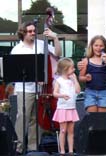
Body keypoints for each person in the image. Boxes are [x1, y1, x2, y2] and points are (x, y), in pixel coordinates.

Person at [11, 21, 62, 154]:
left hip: (41, 89)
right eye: (30, 31)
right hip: (25, 89)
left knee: (37, 119)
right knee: (23, 117)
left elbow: (57, 54)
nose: (33, 33)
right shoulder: (17, 49)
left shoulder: (42, 44)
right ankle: (19, 147)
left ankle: (33, 148)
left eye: (34, 31)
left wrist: (55, 38)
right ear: (23, 32)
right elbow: (14, 71)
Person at [79, 35, 106, 112]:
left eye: (101, 46)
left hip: (104, 92)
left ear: (105, 47)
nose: (98, 48)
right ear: (92, 46)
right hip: (90, 92)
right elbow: (80, 77)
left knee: (102, 118)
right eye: (96, 45)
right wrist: (86, 78)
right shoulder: (86, 60)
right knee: (92, 118)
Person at [52, 58, 81, 155]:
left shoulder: (72, 80)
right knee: (63, 130)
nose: (73, 70)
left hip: (71, 108)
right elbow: (55, 93)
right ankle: (62, 150)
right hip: (63, 108)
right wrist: (62, 95)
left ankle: (71, 150)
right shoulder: (59, 81)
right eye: (72, 68)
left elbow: (78, 91)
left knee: (71, 131)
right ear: (65, 69)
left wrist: (75, 80)